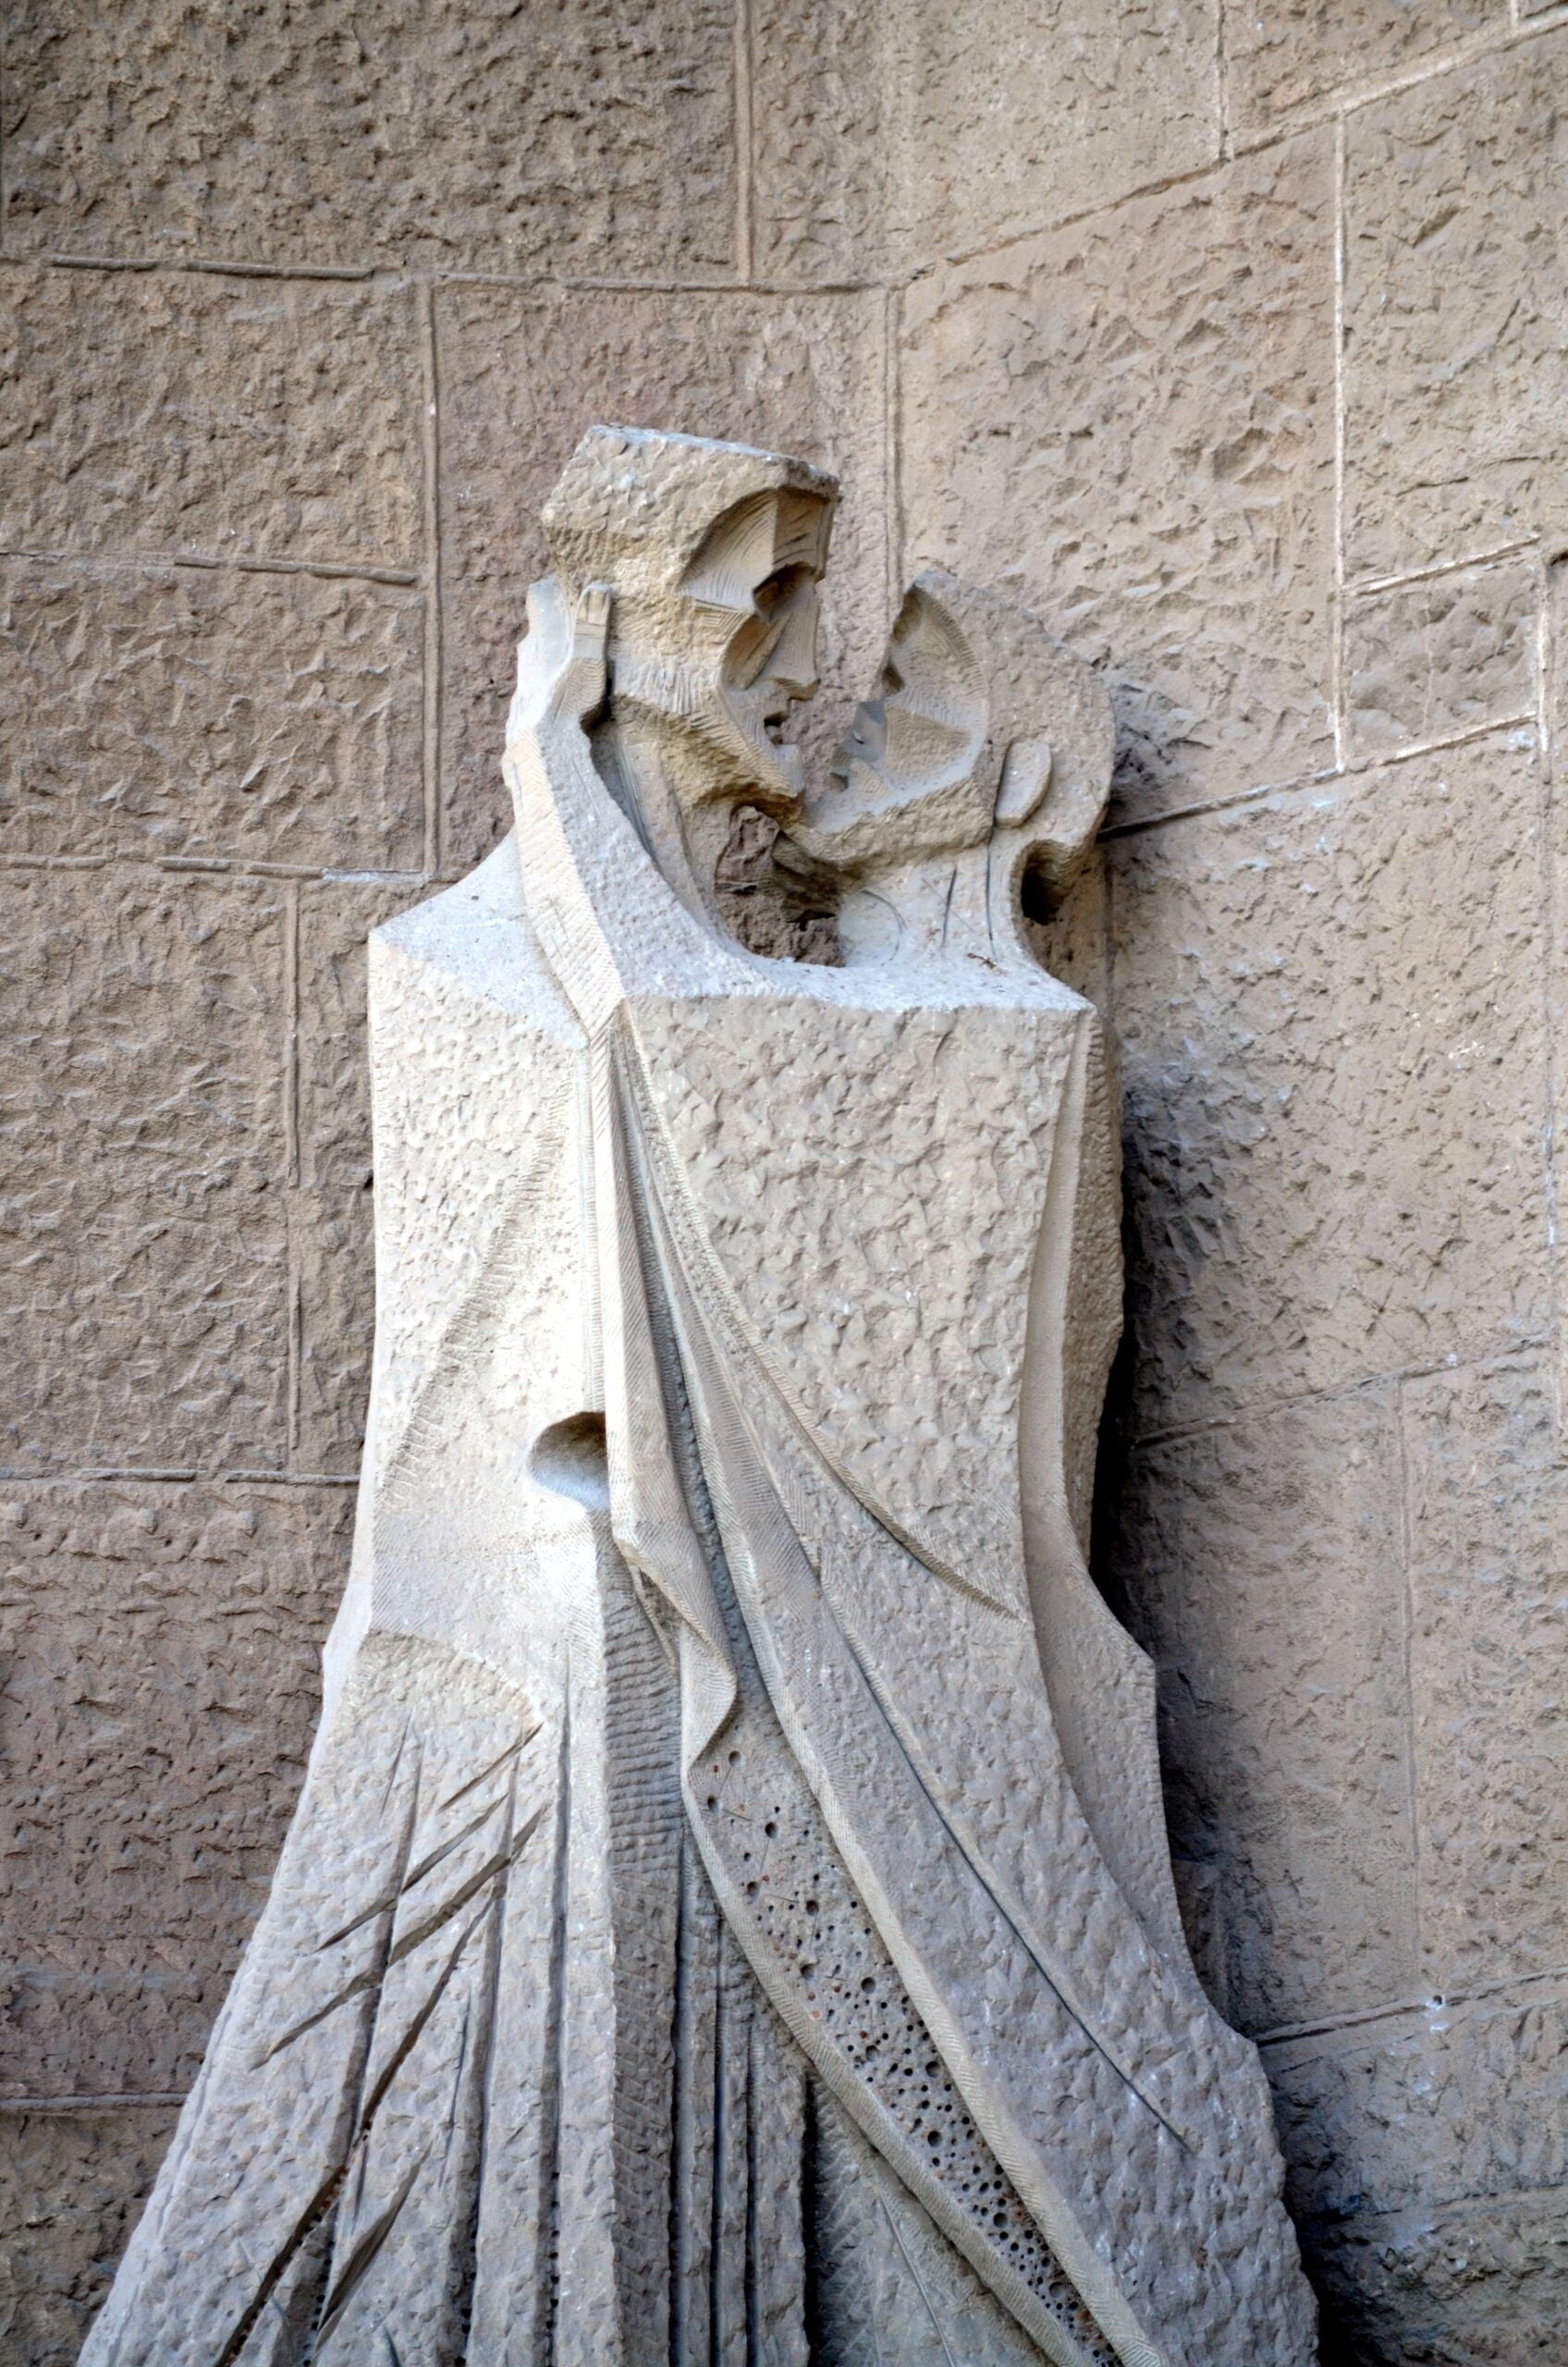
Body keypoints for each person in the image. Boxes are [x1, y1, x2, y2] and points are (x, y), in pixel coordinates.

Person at [83, 428, 1313, 2367]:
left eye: (807, 612)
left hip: (778, 1657)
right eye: (752, 599)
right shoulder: (469, 964)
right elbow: (647, 1089)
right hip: (561, 1670)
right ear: (619, 629)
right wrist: (552, 766)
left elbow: (743, 1112)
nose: (789, 656)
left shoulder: (864, 1020)